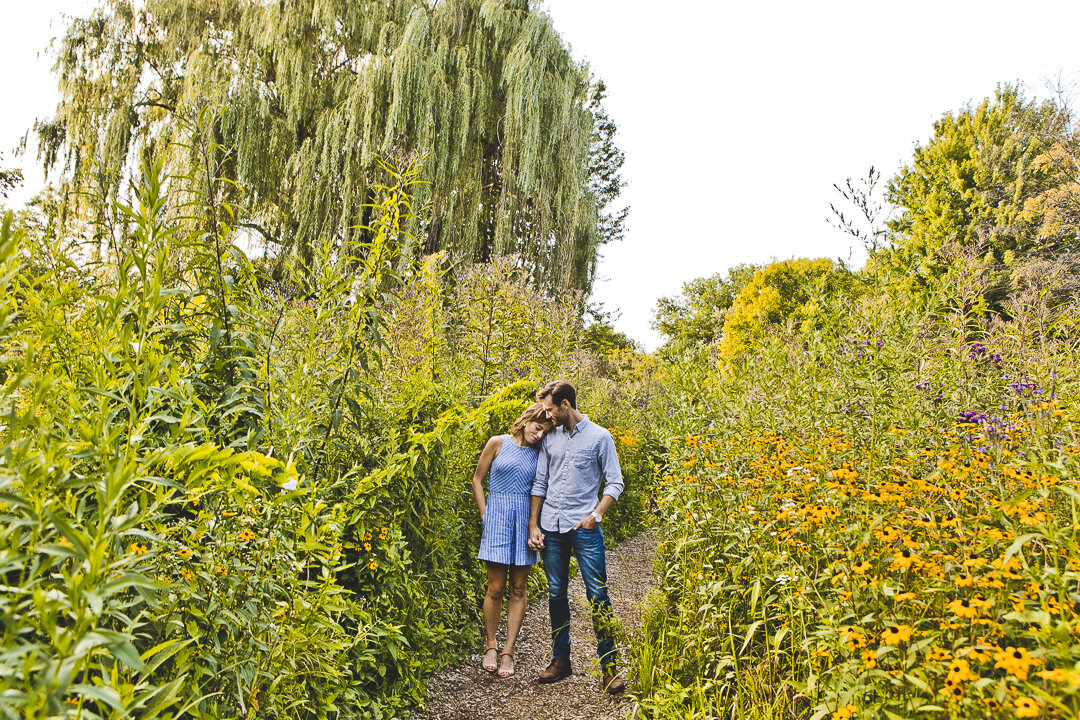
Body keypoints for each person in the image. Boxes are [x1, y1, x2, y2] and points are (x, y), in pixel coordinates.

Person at [528, 380, 627, 694]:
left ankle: (610, 667)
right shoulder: (550, 439)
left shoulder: (600, 437)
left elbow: (615, 483)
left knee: (597, 594)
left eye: (550, 409)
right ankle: (561, 661)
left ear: (565, 405)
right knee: (556, 594)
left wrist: (595, 515)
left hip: (584, 529)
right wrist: (534, 525)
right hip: (551, 528)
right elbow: (540, 484)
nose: (547, 415)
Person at [471, 402, 554, 678]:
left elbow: (540, 489)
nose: (539, 435)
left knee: (519, 588)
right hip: (496, 520)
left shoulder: (540, 452)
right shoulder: (498, 442)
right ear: (527, 420)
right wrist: (486, 515)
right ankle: (491, 645)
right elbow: (477, 479)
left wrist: (536, 526)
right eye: (537, 428)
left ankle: (509, 650)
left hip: (524, 522)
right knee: (495, 588)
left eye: (544, 432)